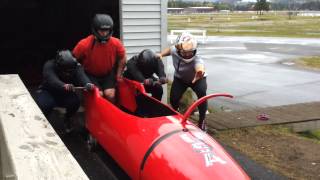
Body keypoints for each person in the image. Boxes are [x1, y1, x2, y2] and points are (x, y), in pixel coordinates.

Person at [34, 50, 95, 133]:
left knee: (75, 102)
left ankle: (68, 118)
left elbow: (82, 75)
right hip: (48, 91)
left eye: (70, 70)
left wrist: (88, 83)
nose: (67, 73)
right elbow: (52, 79)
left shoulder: (76, 66)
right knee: (45, 105)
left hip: (65, 93)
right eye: (65, 70)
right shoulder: (49, 65)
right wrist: (63, 85)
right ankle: (44, 121)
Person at [158, 32, 208, 131]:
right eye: (184, 52)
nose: (187, 54)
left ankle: (202, 121)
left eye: (190, 52)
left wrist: (200, 72)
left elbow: (199, 65)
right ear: (179, 49)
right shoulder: (175, 50)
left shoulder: (197, 56)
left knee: (202, 95)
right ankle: (177, 115)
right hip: (180, 78)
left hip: (197, 79)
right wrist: (161, 54)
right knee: (173, 98)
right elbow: (170, 50)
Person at [73, 14, 126, 104]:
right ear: (95, 29)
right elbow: (74, 60)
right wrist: (82, 79)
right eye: (102, 31)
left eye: (107, 31)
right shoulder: (84, 44)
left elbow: (122, 57)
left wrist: (118, 75)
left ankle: (113, 112)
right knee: (99, 94)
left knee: (110, 94)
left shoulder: (116, 43)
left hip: (108, 73)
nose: (104, 33)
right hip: (91, 74)